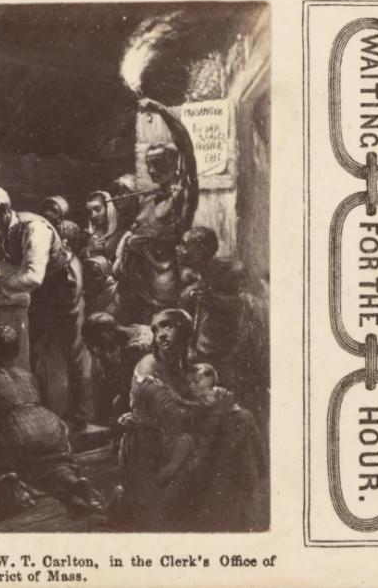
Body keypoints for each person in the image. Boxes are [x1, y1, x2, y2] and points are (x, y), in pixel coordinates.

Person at [0, 186, 92, 431]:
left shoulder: (34, 228)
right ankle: (42, 411)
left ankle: (80, 413)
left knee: (73, 349)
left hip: (65, 282)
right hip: (44, 288)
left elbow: (33, 275)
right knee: (37, 350)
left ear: (4, 209)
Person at [119, 309, 266, 530]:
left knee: (241, 418)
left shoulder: (186, 363)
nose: (160, 334)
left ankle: (245, 499)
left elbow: (194, 402)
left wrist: (219, 399)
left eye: (167, 326)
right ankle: (231, 505)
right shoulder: (148, 366)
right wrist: (216, 406)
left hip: (183, 436)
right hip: (155, 451)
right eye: (155, 329)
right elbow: (177, 417)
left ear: (184, 329)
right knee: (230, 424)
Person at [0, 325, 103, 515]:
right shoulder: (26, 375)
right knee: (53, 465)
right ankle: (76, 483)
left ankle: (6, 481)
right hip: (49, 426)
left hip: (16, 431)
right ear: (16, 350)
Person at [111, 99, 200, 325]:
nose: (151, 170)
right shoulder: (149, 197)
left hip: (161, 279)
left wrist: (162, 110)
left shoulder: (182, 195)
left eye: (158, 163)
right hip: (133, 277)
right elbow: (133, 230)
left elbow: (187, 148)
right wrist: (121, 253)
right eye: (149, 164)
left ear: (173, 164)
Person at [177, 227, 267, 396]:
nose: (178, 249)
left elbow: (253, 305)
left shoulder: (233, 270)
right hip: (201, 356)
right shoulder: (190, 279)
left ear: (201, 250)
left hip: (229, 359)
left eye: (184, 244)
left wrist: (215, 301)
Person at [82, 312, 152, 429]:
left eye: (99, 346)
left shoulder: (134, 350)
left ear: (105, 336)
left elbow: (128, 392)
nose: (103, 351)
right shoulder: (139, 328)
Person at [81, 175, 139, 262]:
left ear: (108, 208)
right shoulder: (89, 235)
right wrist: (89, 249)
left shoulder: (122, 230)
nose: (93, 215)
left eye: (98, 209)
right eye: (90, 212)